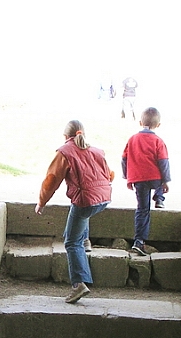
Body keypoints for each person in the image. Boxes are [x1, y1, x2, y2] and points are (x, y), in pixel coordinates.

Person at [35, 120, 114, 304]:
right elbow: (110, 174)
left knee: (71, 241)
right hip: (103, 199)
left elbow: (51, 180)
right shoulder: (97, 151)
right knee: (82, 213)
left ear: (65, 136)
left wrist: (41, 202)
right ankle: (85, 240)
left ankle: (78, 284)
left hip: (86, 201)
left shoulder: (65, 152)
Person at [122, 107, 171, 256]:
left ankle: (139, 241)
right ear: (158, 125)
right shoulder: (158, 141)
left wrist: (127, 176)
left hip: (139, 179)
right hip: (155, 178)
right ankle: (159, 197)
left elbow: (124, 159)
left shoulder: (132, 139)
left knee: (142, 209)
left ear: (140, 122)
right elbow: (163, 162)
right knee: (158, 183)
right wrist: (166, 181)